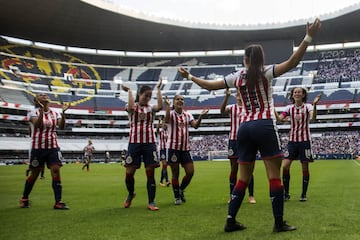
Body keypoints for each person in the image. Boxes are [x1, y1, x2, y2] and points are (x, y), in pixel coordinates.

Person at [178, 18, 321, 232]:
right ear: (261, 58)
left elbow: (209, 87)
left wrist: (189, 75)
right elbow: (292, 62)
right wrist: (308, 36)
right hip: (264, 124)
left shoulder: (237, 76)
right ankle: (278, 222)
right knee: (274, 175)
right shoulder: (266, 72)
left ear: (245, 59)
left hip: (243, 128)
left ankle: (230, 219)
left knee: (243, 177)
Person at [20, 92, 70, 209]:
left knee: (56, 170)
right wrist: (42, 110)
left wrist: (63, 113)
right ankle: (24, 198)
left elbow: (61, 127)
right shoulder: (32, 112)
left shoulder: (55, 112)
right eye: (40, 95)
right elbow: (38, 126)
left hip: (53, 146)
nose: (44, 96)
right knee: (35, 173)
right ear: (36, 100)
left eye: (45, 95)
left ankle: (58, 202)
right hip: (38, 147)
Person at [121, 78, 163, 211]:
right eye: (146, 96)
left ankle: (151, 201)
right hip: (134, 143)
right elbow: (131, 107)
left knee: (150, 173)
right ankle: (130, 193)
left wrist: (158, 89)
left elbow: (160, 106)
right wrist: (129, 92)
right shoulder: (133, 107)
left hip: (149, 143)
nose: (148, 99)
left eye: (150, 96)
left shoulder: (151, 108)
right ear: (139, 94)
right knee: (129, 173)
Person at [275, 88, 321, 202]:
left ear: (303, 94)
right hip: (292, 141)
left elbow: (313, 118)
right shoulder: (289, 108)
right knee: (285, 166)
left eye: (299, 92)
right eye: (295, 92)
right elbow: (279, 119)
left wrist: (315, 105)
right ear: (292, 95)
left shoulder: (308, 106)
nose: (297, 94)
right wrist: (273, 109)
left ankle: (303, 194)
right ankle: (286, 193)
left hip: (305, 141)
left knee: (304, 167)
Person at [164, 95, 209, 205]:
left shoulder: (188, 114)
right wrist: (168, 106)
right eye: (177, 99)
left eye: (182, 99)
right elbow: (166, 120)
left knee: (190, 172)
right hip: (173, 148)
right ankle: (177, 197)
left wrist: (201, 117)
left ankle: (181, 189)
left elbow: (195, 126)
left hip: (185, 148)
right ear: (174, 102)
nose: (180, 101)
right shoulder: (171, 114)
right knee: (175, 174)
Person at [220, 88, 256, 204]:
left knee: (249, 169)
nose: (240, 95)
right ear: (236, 96)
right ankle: (232, 195)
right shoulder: (232, 108)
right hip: (234, 140)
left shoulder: (250, 108)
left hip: (248, 140)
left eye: (242, 94)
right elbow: (222, 111)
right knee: (234, 169)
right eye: (238, 94)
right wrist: (226, 97)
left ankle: (251, 195)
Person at [156, 116, 170, 187]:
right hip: (162, 149)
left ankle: (161, 181)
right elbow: (157, 130)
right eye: (164, 125)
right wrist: (159, 122)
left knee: (165, 166)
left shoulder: (169, 132)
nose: (165, 126)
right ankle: (167, 180)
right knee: (164, 165)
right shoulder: (161, 132)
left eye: (166, 125)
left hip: (167, 149)